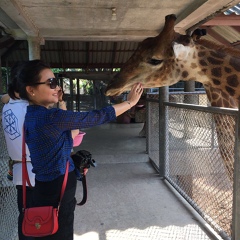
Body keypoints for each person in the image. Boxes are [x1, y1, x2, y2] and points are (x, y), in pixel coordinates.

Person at [15, 59, 143, 240]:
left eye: (56, 82)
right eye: (51, 83)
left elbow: (63, 136)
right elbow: (94, 117)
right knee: (60, 230)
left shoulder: (33, 115)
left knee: (50, 228)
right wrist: (130, 103)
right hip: (58, 187)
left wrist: (60, 102)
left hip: (47, 185)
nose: (56, 88)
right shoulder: (51, 118)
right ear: (31, 90)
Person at [1, 66, 78, 240]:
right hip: (43, 175)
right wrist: (62, 103)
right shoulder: (35, 113)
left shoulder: (8, 106)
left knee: (28, 220)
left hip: (21, 174)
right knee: (55, 222)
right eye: (48, 84)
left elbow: (6, 97)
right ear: (29, 89)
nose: (51, 89)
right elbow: (72, 132)